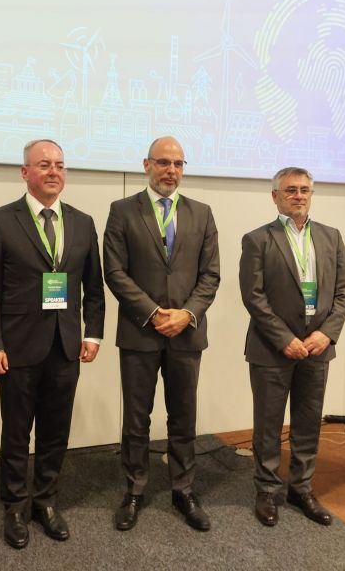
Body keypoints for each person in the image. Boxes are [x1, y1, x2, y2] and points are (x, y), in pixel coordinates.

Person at [0, 139, 104, 549]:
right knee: (16, 433)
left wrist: (92, 333)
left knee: (55, 431)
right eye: (44, 165)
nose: (54, 172)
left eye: (60, 165)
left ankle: (45, 501)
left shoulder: (82, 222)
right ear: (25, 172)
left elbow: (93, 287)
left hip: (66, 346)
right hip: (16, 349)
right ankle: (15, 506)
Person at [103, 136, 220, 532]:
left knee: (183, 416)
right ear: (147, 164)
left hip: (187, 333)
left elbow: (211, 275)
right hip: (140, 332)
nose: (171, 170)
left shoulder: (202, 213)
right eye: (164, 162)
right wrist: (153, 313)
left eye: (178, 164)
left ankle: (183, 489)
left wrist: (187, 314)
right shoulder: (122, 210)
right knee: (137, 418)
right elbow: (114, 272)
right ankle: (135, 489)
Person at [238, 167, 345, 527]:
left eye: (304, 190)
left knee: (308, 422)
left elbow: (344, 292)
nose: (298, 196)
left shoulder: (331, 237)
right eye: (290, 190)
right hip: (272, 349)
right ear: (275, 196)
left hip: (317, 348)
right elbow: (253, 296)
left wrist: (327, 334)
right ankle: (267, 490)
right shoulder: (257, 240)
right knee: (268, 425)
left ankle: (301, 488)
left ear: (311, 195)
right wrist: (284, 338)